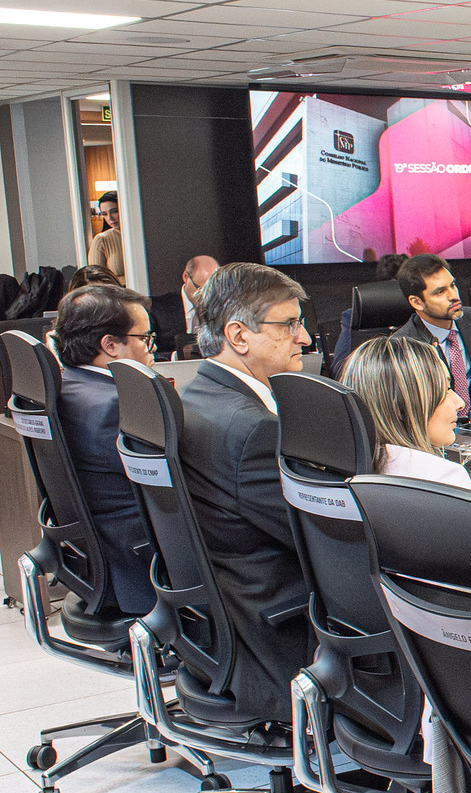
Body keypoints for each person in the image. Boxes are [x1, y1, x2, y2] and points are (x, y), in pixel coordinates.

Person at [182, 263, 315, 722]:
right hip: (276, 634)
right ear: (238, 335)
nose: (303, 338)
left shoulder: (198, 397)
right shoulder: (252, 428)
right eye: (289, 324)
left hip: (221, 623)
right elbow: (316, 539)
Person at [50, 284, 156, 614]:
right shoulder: (115, 406)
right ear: (110, 345)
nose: (152, 348)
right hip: (137, 565)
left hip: (92, 561)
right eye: (145, 338)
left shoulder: (67, 387)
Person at [339, 335, 471, 487]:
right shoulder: (445, 476)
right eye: (445, 390)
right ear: (400, 405)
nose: (460, 403)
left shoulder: (339, 468)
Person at [391, 254, 471, 411]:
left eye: (452, 285)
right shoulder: (402, 345)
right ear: (417, 302)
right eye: (440, 292)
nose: (454, 296)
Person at [177, 255, 218, 340]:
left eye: (212, 290)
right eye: (200, 289)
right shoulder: (159, 310)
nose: (206, 296)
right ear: (186, 277)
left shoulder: (223, 308)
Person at [86, 191, 122, 279]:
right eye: (104, 214)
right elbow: (97, 279)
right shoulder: (102, 239)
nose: (110, 218)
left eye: (115, 211)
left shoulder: (142, 234)